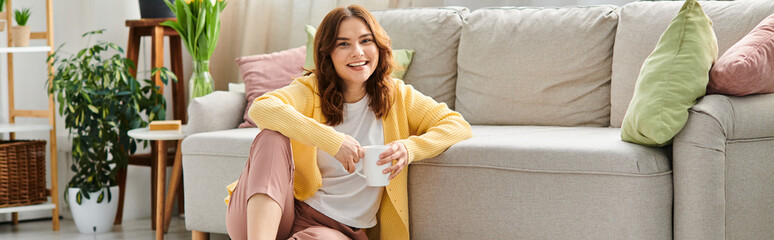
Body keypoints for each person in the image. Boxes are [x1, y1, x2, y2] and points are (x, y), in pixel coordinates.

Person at [225, 4, 472, 240]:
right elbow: (262, 108)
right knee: (272, 138)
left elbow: (456, 124)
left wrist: (409, 149)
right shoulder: (311, 90)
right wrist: (332, 140)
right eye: (343, 44)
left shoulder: (397, 95)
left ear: (379, 46)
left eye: (366, 41)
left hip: (336, 231)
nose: (358, 52)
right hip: (270, 214)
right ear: (328, 54)